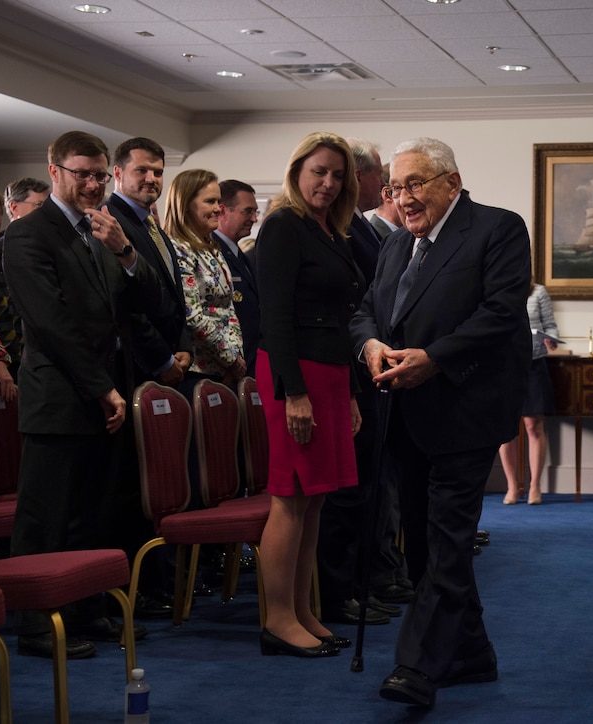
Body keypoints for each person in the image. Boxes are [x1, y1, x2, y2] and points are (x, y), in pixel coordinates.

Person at [350, 136, 531, 708]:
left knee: (448, 541)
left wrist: (436, 358)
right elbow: (364, 311)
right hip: (403, 412)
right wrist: (371, 346)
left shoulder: (498, 228)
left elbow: (501, 314)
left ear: (451, 182)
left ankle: (417, 667)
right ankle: (471, 656)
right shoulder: (396, 244)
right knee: (426, 548)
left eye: (415, 184)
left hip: (464, 409)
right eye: (394, 187)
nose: (403, 197)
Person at [3, 130, 160, 659]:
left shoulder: (102, 231)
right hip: (60, 397)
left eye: (99, 175)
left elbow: (147, 301)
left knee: (94, 516)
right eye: (81, 174)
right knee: (46, 518)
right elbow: (51, 326)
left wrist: (126, 250)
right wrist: (102, 389)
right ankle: (35, 625)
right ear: (54, 170)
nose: (93, 184)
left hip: (109, 392)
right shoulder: (29, 234)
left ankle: (84, 610)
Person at [256, 131, 364, 658]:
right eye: (319, 171)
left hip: (328, 373)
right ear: (298, 171)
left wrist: (346, 396)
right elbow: (274, 316)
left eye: (338, 175)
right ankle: (277, 620)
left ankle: (301, 610)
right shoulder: (282, 224)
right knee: (290, 498)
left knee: (316, 497)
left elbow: (339, 321)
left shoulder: (331, 231)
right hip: (291, 373)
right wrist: (293, 393)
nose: (328, 182)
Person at [315, 138, 405, 629]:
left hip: (361, 374)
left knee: (365, 489)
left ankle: (358, 585)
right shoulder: (334, 230)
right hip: (338, 373)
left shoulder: (352, 229)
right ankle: (342, 590)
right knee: (345, 494)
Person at [106, 137, 193, 388]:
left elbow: (176, 295)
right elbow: (124, 304)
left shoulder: (152, 224)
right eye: (141, 170)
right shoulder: (111, 222)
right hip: (138, 368)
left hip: (173, 360)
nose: (151, 178)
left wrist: (183, 346)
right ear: (118, 173)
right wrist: (162, 360)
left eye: (158, 172)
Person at [164, 169, 246, 389]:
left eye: (218, 201)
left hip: (226, 370)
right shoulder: (177, 249)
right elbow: (192, 314)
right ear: (186, 204)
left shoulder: (212, 249)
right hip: (198, 371)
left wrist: (235, 358)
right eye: (210, 201)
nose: (218, 208)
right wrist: (230, 358)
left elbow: (229, 308)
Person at [499, 281, 559, 505]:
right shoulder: (498, 286)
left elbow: (551, 326)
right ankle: (512, 487)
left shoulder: (538, 291)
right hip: (504, 365)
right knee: (506, 429)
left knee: (534, 426)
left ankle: (535, 486)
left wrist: (550, 339)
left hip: (534, 364)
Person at [0, 178, 50, 375]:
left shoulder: (48, 251)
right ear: (14, 207)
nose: (47, 213)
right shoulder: (2, 253)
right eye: (40, 205)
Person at [214, 179, 261, 378]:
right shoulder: (213, 253)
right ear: (223, 210)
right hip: (229, 368)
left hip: (250, 364)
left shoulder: (240, 255)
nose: (254, 219)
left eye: (255, 212)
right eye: (247, 211)